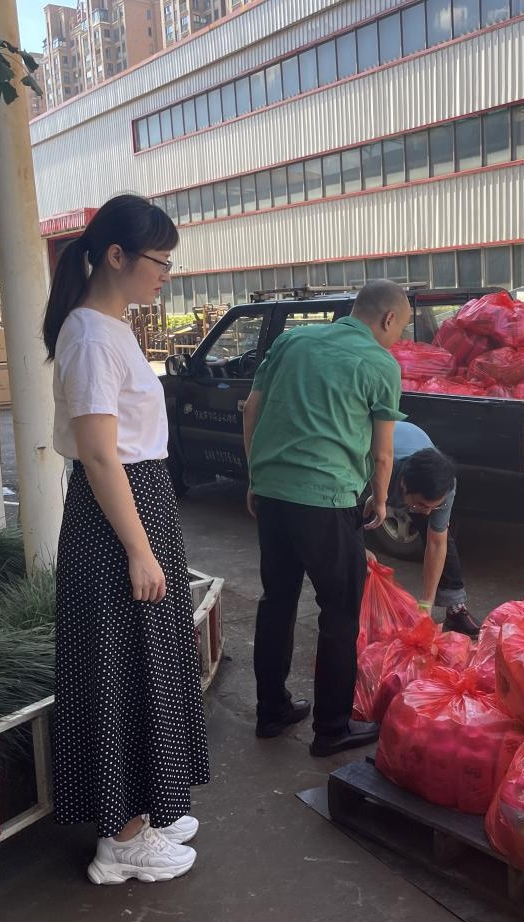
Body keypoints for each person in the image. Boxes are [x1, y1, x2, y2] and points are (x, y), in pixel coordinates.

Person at [44, 195, 209, 885]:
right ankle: (120, 838)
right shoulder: (89, 335)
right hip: (115, 517)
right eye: (159, 260)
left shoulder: (110, 328)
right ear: (116, 255)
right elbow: (100, 455)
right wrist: (139, 550)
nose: (165, 273)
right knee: (118, 665)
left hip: (136, 505)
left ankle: (147, 807)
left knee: (146, 658)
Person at [243, 279, 410, 757]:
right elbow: (383, 453)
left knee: (277, 601)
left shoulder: (292, 341)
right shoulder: (380, 363)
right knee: (339, 615)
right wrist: (380, 500)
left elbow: (251, 411)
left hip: (273, 494)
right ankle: (331, 728)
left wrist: (256, 478)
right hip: (328, 501)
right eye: (400, 328)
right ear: (388, 319)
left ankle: (271, 711)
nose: (397, 337)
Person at [387, 422, 481, 637]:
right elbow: (346, 514)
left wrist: (426, 604)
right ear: (403, 486)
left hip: (414, 456)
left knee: (441, 534)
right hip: (379, 455)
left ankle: (456, 607)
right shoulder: (378, 469)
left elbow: (436, 544)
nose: (427, 512)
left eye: (433, 506)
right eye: (422, 504)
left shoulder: (445, 488)